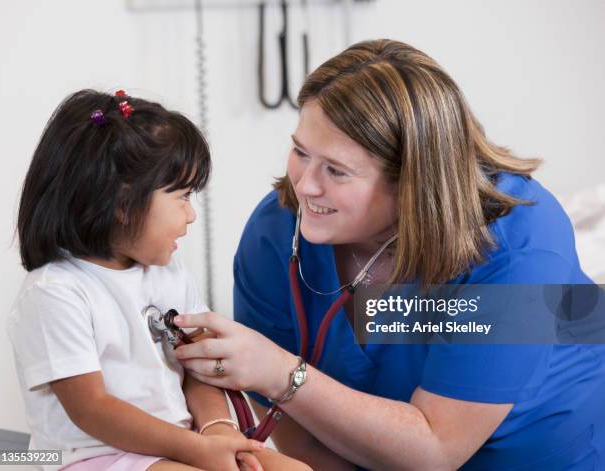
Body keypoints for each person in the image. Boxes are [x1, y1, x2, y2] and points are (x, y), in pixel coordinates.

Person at [172, 40, 605, 470]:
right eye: (301, 152)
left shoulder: (518, 242)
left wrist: (282, 372)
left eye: (336, 170)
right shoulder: (278, 229)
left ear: (413, 181)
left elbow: (436, 450)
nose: (305, 186)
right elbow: (285, 416)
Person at [8, 89, 311, 471]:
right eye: (182, 196)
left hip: (176, 446)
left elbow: (198, 366)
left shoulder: (168, 273)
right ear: (122, 204)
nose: (190, 215)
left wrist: (218, 431)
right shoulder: (55, 294)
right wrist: (195, 450)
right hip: (90, 457)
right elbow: (92, 410)